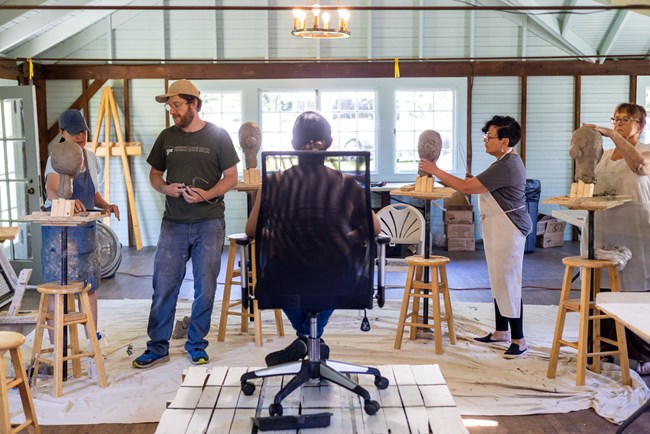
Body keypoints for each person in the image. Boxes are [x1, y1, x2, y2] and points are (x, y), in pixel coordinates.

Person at [245, 111, 381, 366]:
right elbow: (374, 228)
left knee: (286, 279)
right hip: (337, 277)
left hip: (285, 277)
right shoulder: (347, 182)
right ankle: (312, 337)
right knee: (331, 274)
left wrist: (280, 239)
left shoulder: (273, 182)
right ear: (329, 143)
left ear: (293, 144)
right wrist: (342, 239)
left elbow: (252, 230)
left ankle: (305, 337)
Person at [132, 80, 239, 368]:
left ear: (194, 104)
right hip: (174, 223)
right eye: (170, 107)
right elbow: (155, 174)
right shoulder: (167, 137)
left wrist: (207, 194)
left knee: (205, 286)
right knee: (164, 285)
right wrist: (165, 188)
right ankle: (157, 347)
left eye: (177, 105)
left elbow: (231, 176)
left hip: (209, 222)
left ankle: (196, 344)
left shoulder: (218, 136)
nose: (172, 111)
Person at [419, 115, 531, 358]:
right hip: (497, 226)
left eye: (489, 137)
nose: (485, 140)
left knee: (508, 280)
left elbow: (466, 188)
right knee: (497, 278)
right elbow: (476, 185)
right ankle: (501, 331)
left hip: (509, 227)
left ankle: (519, 339)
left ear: (505, 141)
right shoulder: (502, 161)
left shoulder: (507, 165)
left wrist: (435, 170)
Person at [584, 103, 650, 375]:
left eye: (625, 119)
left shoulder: (645, 150)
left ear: (641, 125)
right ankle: (604, 345)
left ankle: (641, 351)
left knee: (634, 288)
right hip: (606, 226)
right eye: (615, 119)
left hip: (636, 229)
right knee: (605, 288)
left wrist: (613, 135)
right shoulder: (606, 154)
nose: (619, 123)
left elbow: (640, 166)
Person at [42, 109, 120, 337]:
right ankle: (58, 339)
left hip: (84, 229)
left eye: (83, 132)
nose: (80, 137)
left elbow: (92, 191)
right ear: (62, 133)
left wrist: (105, 204)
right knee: (58, 287)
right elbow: (51, 190)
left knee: (89, 286)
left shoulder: (92, 158)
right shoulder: (57, 156)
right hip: (59, 230)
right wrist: (66, 201)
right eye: (75, 132)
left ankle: (91, 337)